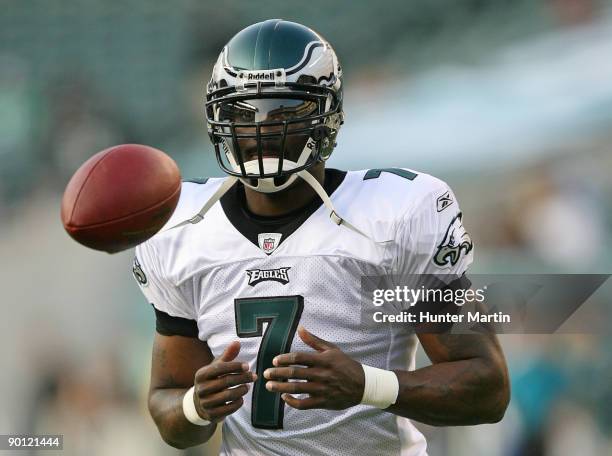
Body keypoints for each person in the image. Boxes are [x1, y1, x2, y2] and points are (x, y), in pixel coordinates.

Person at [133, 19, 510, 455]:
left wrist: (367, 385)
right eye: (242, 113)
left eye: (285, 112)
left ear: (325, 116)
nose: (262, 131)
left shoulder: (390, 216)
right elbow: (167, 405)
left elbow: (487, 386)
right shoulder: (183, 230)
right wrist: (197, 408)